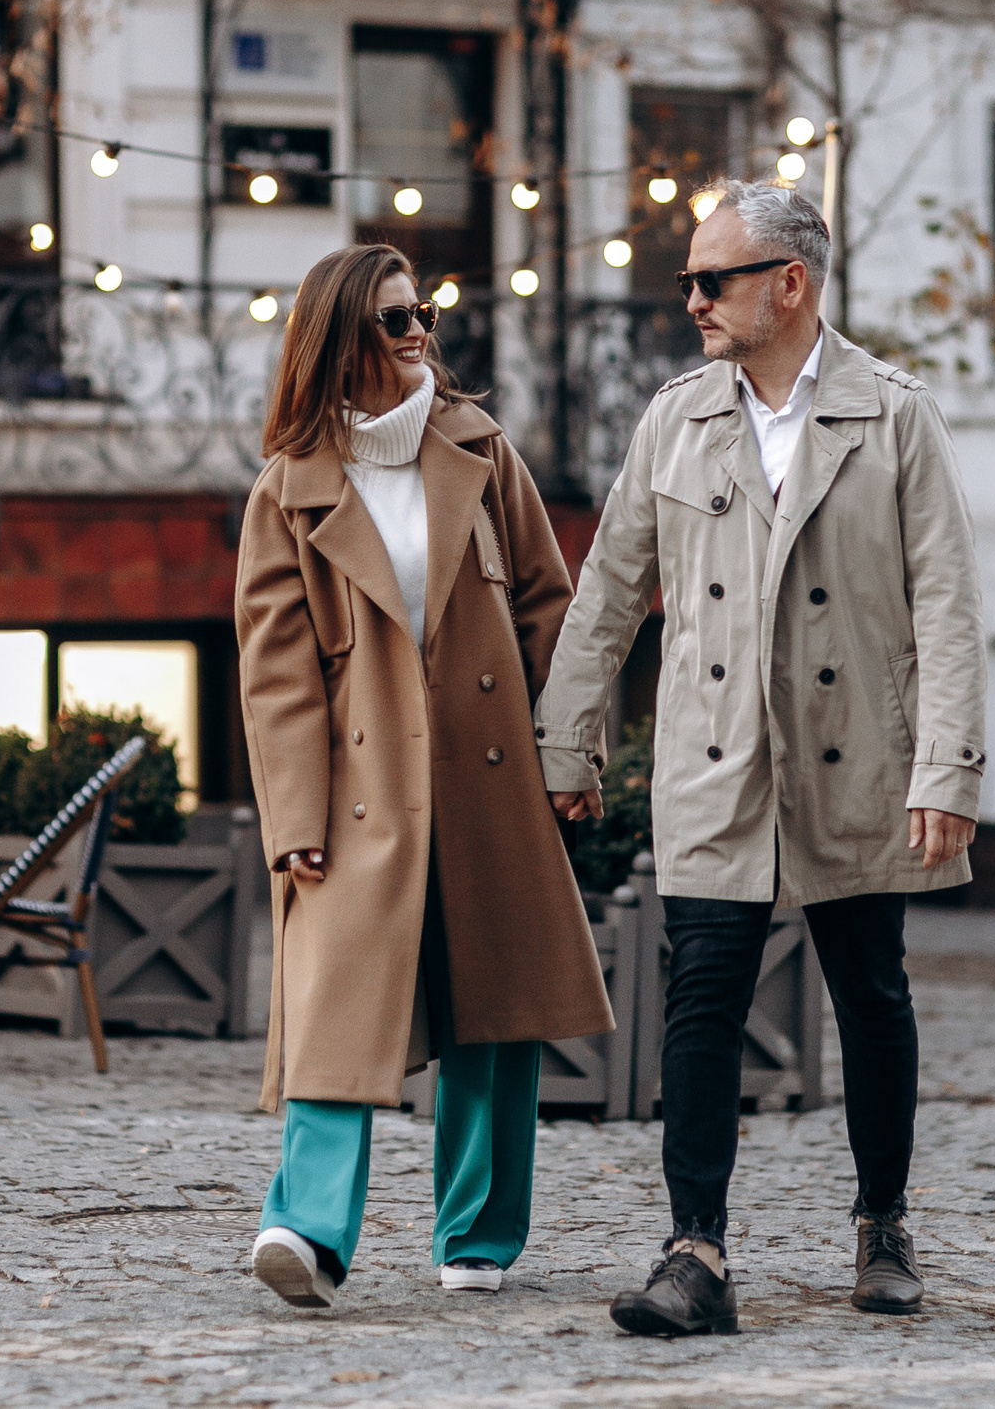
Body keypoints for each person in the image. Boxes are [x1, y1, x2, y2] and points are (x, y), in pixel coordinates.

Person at [533, 179, 989, 1336]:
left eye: (711, 279)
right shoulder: (675, 418)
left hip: (857, 754)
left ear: (788, 284)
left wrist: (947, 767)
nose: (690, 299)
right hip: (714, 755)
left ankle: (882, 1226)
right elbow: (609, 590)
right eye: (687, 280)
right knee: (699, 998)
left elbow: (948, 601)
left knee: (870, 993)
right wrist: (566, 739)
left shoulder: (894, 415)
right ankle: (694, 1253)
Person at [234, 243, 613, 1309]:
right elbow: (276, 676)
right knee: (332, 1009)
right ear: (338, 339)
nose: (418, 334)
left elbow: (547, 608)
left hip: (489, 779)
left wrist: (570, 752)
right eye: (394, 318)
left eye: (422, 315)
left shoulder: (481, 450)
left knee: (495, 1008)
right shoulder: (288, 493)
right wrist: (294, 821)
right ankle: (306, 1233)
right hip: (356, 794)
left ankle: (477, 1236)